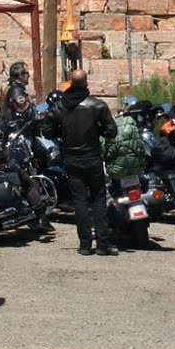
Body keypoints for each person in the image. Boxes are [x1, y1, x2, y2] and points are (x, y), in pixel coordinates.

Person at [51, 70, 117, 256]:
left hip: (72, 158)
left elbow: (47, 130)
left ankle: (85, 244)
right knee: (98, 199)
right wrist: (96, 131)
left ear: (71, 83)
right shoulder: (97, 105)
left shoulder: (60, 106)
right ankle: (102, 244)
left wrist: (63, 133)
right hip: (92, 157)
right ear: (86, 82)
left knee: (79, 201)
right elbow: (111, 131)